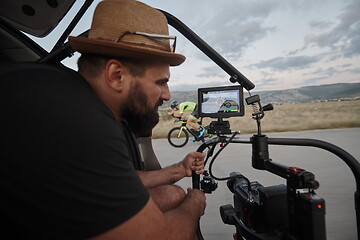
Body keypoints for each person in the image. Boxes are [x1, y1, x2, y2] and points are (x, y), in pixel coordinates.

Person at [1, 0, 206, 239]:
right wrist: (194, 204)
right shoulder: (78, 119)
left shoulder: (63, 94)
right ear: (116, 75)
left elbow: (115, 179)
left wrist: (179, 170)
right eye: (160, 82)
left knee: (171, 194)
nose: (167, 95)